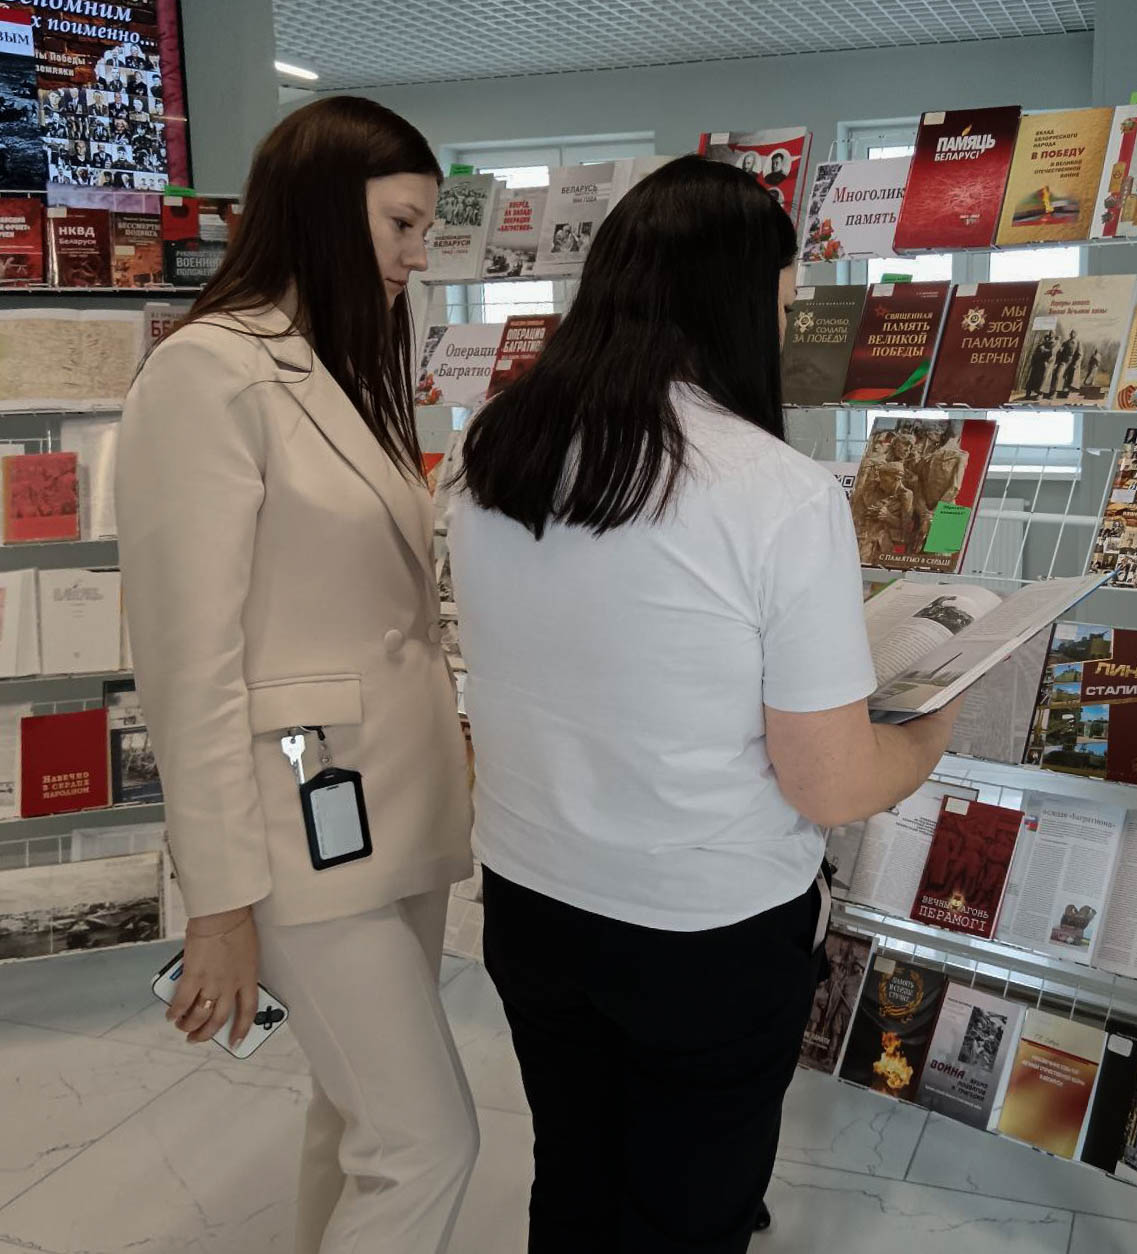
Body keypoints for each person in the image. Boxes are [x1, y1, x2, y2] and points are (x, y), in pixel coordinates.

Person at [447, 155, 961, 1253]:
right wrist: (930, 727)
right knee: (691, 1212)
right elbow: (828, 782)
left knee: (573, 1177)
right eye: (778, 308)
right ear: (735, 307)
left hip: (531, 900)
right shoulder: (774, 493)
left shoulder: (495, 451)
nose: (779, 333)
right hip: (703, 931)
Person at [115, 96, 477, 1254]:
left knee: (357, 1117)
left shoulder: (340, 370)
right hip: (295, 821)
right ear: (324, 209)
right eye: (401, 225)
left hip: (390, 807)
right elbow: (189, 664)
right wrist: (219, 903)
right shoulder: (208, 374)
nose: (417, 257)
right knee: (426, 1143)